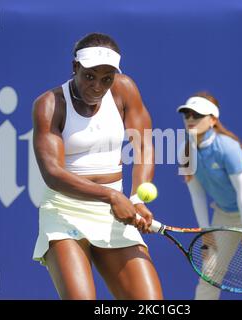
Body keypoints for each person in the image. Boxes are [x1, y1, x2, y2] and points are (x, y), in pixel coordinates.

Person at [31, 32, 163, 300]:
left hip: (113, 212)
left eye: (106, 78)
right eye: (89, 76)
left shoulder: (124, 89)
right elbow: (53, 174)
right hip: (64, 210)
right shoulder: (49, 104)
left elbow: (144, 145)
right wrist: (113, 196)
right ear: (75, 68)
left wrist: (137, 197)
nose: (97, 86)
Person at [177, 92, 242, 300]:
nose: (190, 119)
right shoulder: (184, 151)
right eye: (187, 114)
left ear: (213, 120)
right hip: (225, 213)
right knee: (209, 273)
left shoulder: (227, 147)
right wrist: (205, 231)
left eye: (197, 115)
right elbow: (197, 194)